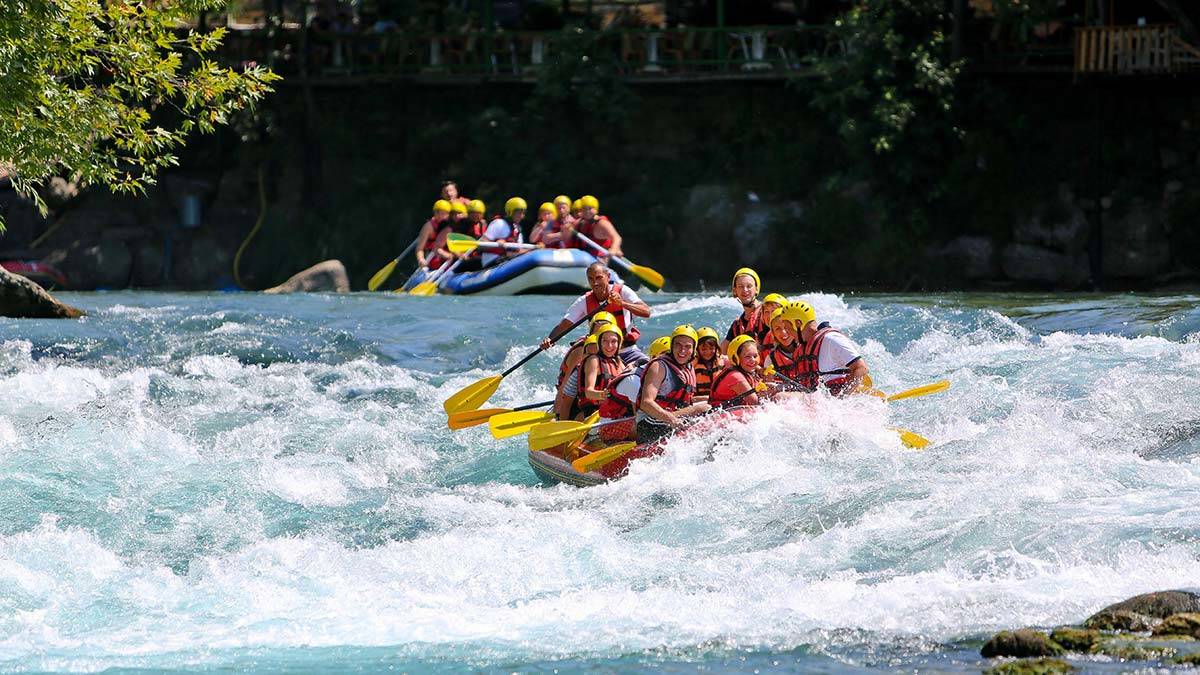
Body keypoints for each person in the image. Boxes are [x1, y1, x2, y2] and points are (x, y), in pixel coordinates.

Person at [542, 262, 651, 365]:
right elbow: (564, 325)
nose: (595, 283)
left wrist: (622, 303)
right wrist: (550, 340)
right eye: (591, 279)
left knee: (647, 366)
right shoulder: (584, 301)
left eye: (599, 278)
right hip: (600, 354)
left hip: (627, 351)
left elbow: (646, 311)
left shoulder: (623, 291)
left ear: (608, 276)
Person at [637, 325, 711, 442]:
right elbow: (646, 403)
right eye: (678, 345)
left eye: (688, 347)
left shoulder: (688, 367)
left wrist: (707, 398)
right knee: (703, 409)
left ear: (693, 350)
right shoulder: (659, 366)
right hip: (649, 423)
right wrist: (672, 420)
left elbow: (685, 402)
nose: (682, 351)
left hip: (672, 418)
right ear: (672, 346)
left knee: (710, 406)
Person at [785, 301, 871, 396]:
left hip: (836, 401)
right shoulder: (801, 350)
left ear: (798, 323)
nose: (787, 333)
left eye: (788, 329)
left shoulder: (831, 339)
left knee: (781, 397)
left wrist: (841, 399)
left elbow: (861, 368)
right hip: (817, 400)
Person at [597, 335, 671, 442]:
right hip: (609, 427)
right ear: (654, 359)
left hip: (630, 419)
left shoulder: (659, 375)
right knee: (649, 424)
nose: (669, 361)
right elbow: (642, 415)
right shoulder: (634, 380)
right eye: (665, 356)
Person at [554, 312, 618, 421]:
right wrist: (558, 416)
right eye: (598, 333)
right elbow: (566, 395)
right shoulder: (582, 353)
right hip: (580, 407)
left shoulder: (615, 358)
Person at [577, 323, 628, 420]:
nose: (609, 346)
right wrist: (604, 395)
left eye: (614, 341)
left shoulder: (619, 363)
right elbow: (589, 392)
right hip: (594, 413)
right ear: (599, 342)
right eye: (605, 341)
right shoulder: (593, 360)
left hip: (615, 411)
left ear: (619, 343)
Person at [709, 335, 768, 407]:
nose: (753, 360)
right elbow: (755, 402)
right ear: (736, 358)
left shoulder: (749, 372)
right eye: (747, 356)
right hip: (722, 414)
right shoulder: (735, 376)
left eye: (755, 356)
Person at [722, 267, 772, 352]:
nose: (745, 290)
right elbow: (720, 352)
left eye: (749, 286)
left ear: (756, 289)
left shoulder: (768, 312)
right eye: (740, 286)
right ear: (735, 291)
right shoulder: (737, 326)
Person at [480, 197, 528, 268]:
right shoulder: (499, 223)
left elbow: (518, 251)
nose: (522, 216)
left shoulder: (517, 230)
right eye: (519, 213)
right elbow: (481, 243)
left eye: (523, 213)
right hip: (492, 261)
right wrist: (496, 243)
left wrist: (535, 249)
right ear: (510, 212)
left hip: (506, 260)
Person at [762, 305, 804, 384]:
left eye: (786, 327)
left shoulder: (807, 349)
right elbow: (769, 387)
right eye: (778, 329)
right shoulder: (771, 359)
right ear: (773, 333)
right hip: (788, 394)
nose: (783, 333)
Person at [415, 199, 453, 270]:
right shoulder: (428, 226)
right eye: (437, 213)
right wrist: (421, 259)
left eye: (443, 213)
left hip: (448, 258)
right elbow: (419, 248)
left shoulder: (452, 225)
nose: (440, 216)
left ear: (448, 214)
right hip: (433, 257)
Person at [693, 326, 724, 400]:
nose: (708, 352)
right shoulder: (692, 364)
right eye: (703, 349)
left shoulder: (723, 360)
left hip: (718, 398)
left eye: (711, 348)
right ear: (697, 349)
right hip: (699, 400)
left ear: (716, 348)